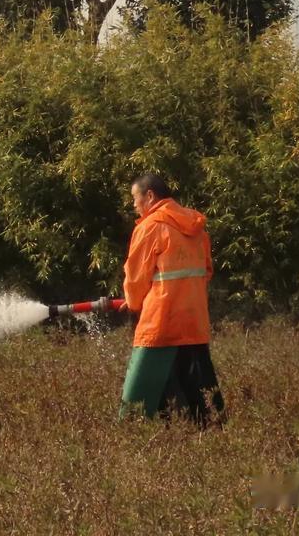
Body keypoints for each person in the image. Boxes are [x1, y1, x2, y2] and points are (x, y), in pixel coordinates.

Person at [118, 173, 224, 426]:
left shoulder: (150, 226)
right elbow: (206, 271)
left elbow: (136, 276)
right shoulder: (196, 226)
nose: (133, 205)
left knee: (149, 396)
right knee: (200, 389)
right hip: (194, 320)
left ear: (150, 196)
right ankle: (213, 434)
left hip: (161, 322)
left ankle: (155, 438)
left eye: (135, 198)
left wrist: (133, 304)